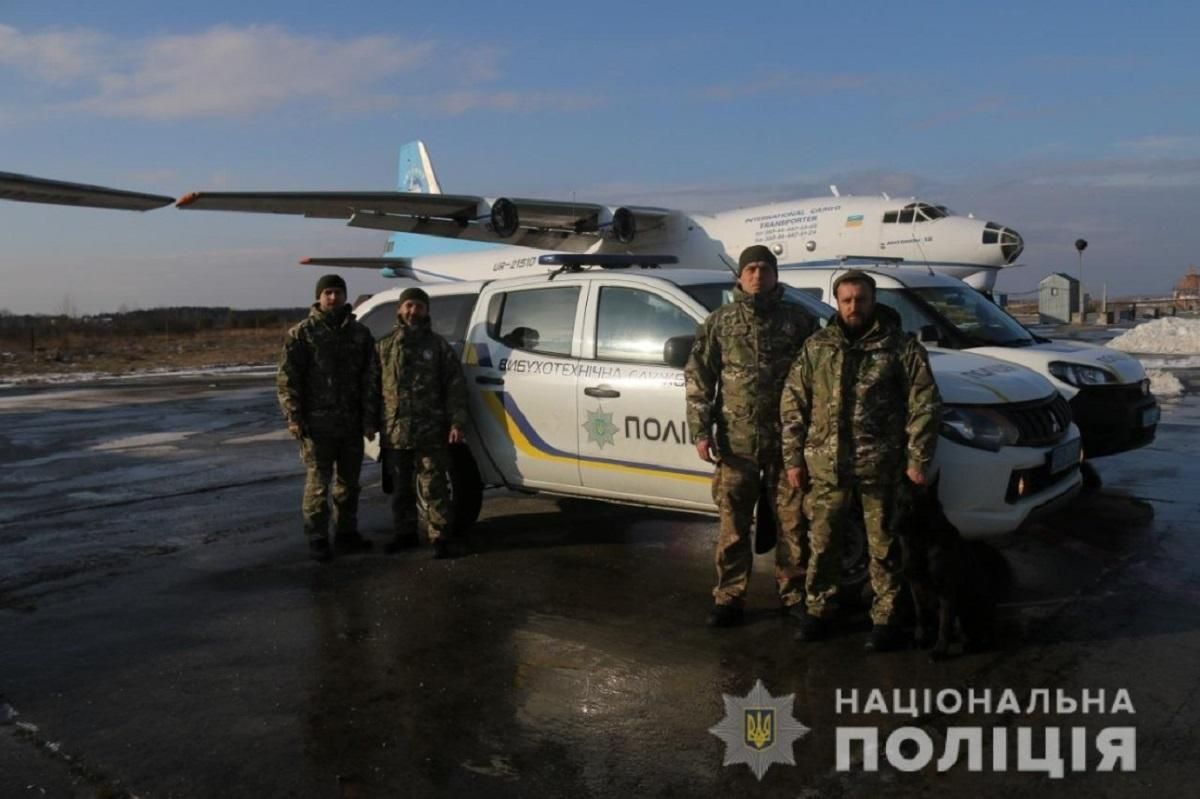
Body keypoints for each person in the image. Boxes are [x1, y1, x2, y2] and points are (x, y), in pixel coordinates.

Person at [781, 270, 941, 651]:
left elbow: (926, 405)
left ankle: (886, 618)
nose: (854, 306)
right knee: (823, 543)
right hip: (827, 466)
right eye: (847, 299)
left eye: (861, 299)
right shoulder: (817, 347)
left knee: (883, 546)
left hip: (880, 468)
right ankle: (819, 610)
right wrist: (793, 458)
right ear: (837, 302)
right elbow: (793, 403)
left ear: (873, 300)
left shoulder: (901, 348)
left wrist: (918, 459)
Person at [685, 244, 818, 627]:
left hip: (787, 447)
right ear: (739, 277)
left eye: (765, 268)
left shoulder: (800, 321)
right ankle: (729, 598)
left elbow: (816, 379)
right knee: (732, 527)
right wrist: (700, 430)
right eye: (751, 269)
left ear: (776, 274)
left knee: (793, 525)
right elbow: (699, 378)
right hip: (736, 445)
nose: (758, 276)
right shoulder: (720, 323)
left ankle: (793, 596)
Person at [277, 274, 381, 562]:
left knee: (349, 484)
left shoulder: (359, 334)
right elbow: (288, 379)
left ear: (346, 296)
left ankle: (347, 534)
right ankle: (318, 537)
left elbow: (371, 378)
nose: (333, 298)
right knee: (318, 484)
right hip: (316, 424)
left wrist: (370, 418)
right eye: (328, 293)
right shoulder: (303, 333)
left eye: (337, 292)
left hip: (350, 423)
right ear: (319, 297)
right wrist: (293, 416)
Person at [376, 287, 469, 559]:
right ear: (399, 309)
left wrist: (457, 422)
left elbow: (455, 387)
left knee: (435, 486)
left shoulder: (438, 347)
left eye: (418, 306)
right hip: (395, 432)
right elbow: (371, 387)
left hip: (431, 430)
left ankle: (440, 537)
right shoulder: (384, 347)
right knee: (401, 489)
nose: (412, 311)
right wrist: (370, 422)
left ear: (426, 311)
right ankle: (404, 534)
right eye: (408, 306)